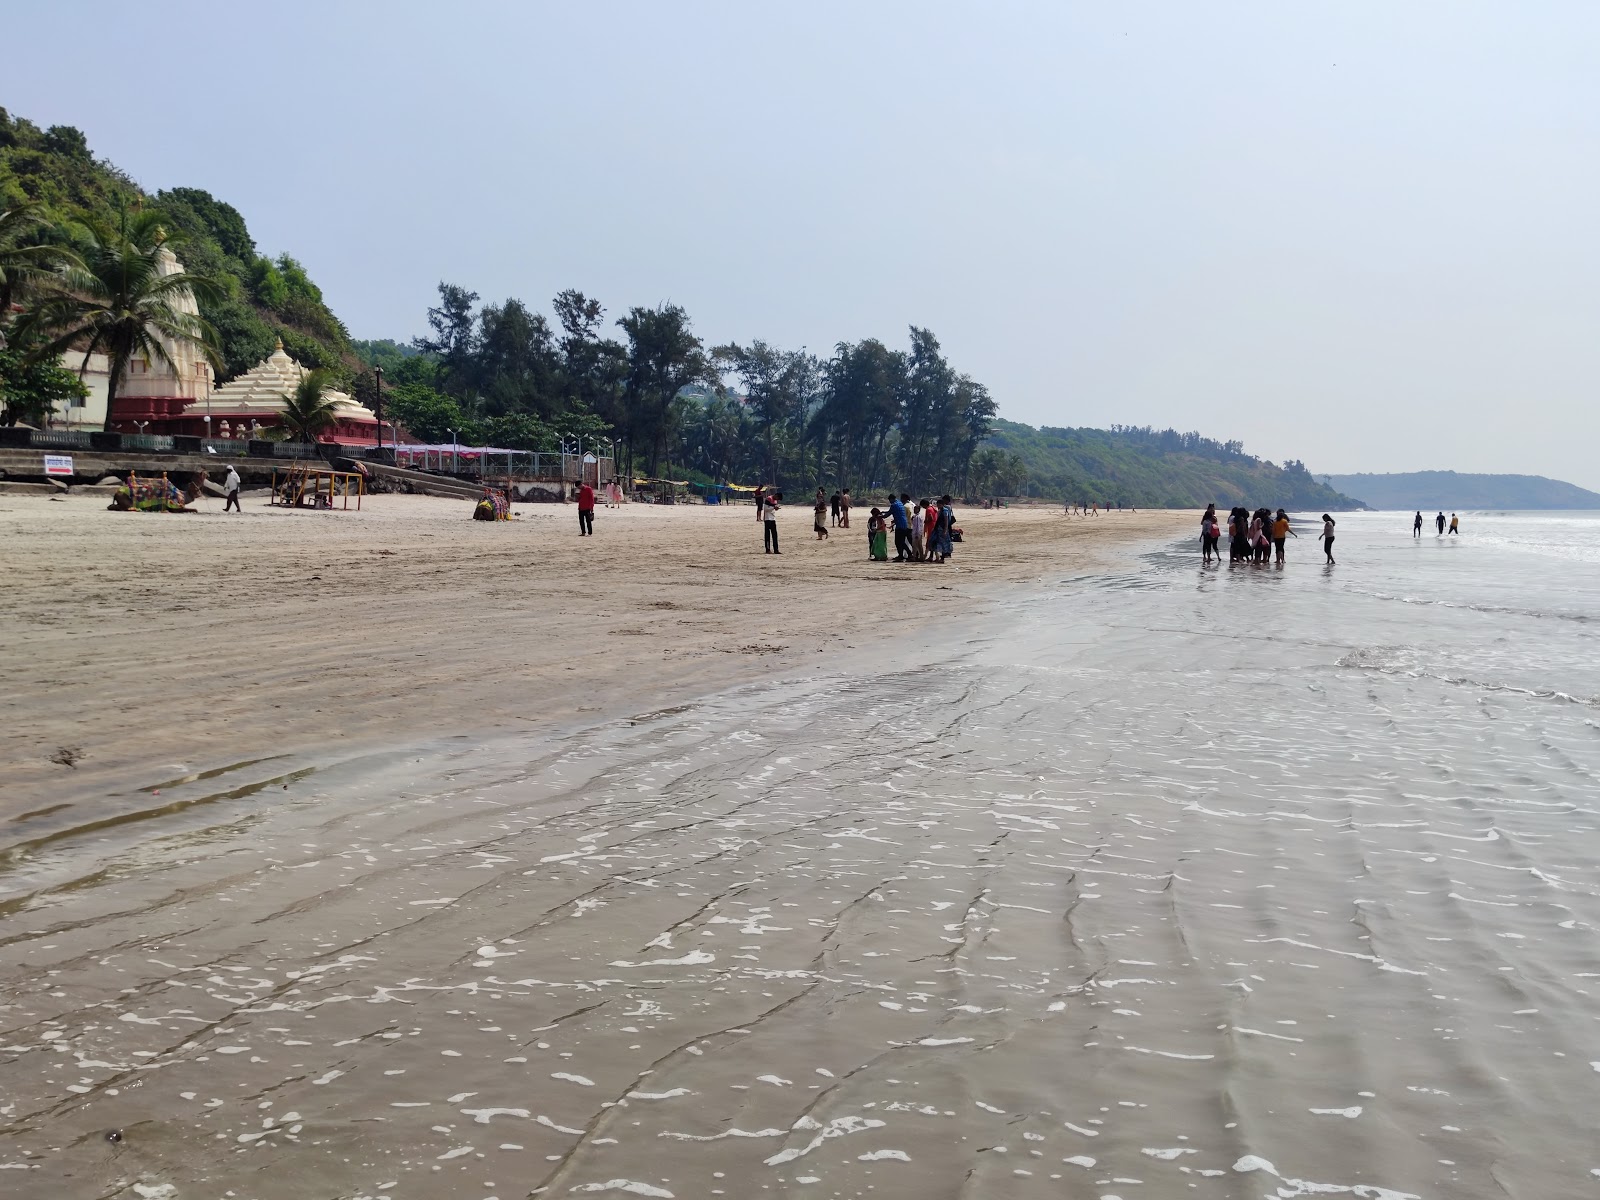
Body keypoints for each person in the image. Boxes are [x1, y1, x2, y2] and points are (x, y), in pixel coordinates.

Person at [888, 493, 910, 561]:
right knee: (902, 541)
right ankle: (908, 554)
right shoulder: (900, 503)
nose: (890, 502)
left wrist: (879, 516)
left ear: (891, 499)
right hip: (904, 524)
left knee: (898, 542)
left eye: (889, 500)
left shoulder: (894, 505)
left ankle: (901, 556)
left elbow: (888, 514)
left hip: (899, 526)